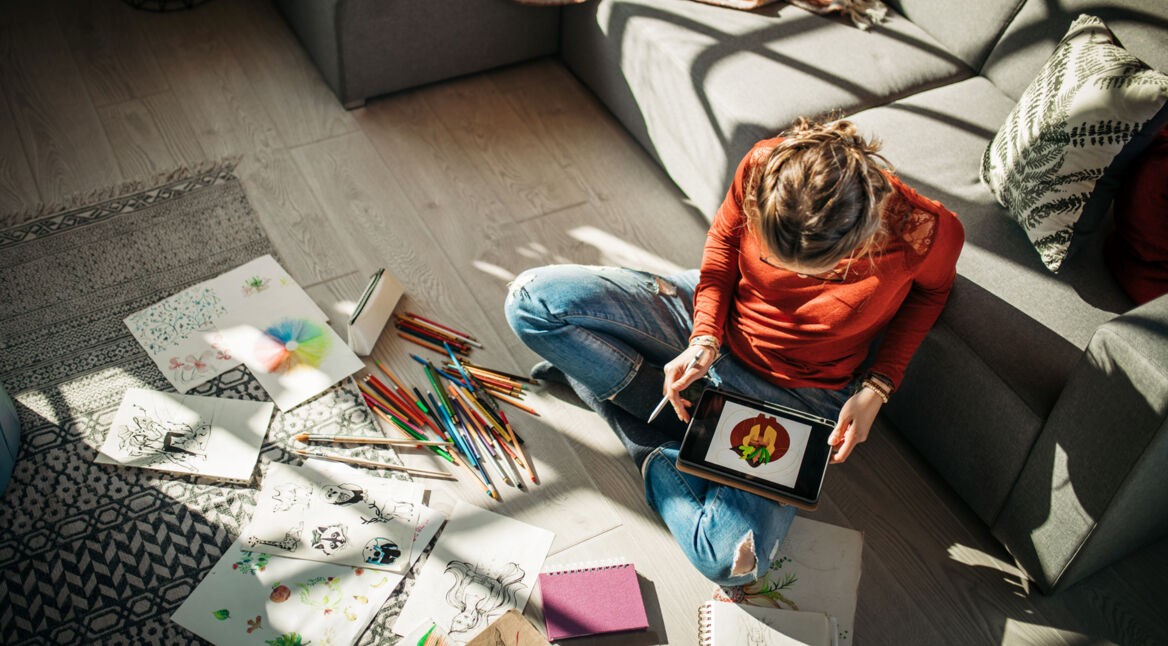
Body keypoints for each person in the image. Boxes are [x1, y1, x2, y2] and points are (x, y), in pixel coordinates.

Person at [503, 118, 963, 587]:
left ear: (862, 236)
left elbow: (931, 295)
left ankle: (640, 428)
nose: (795, 282)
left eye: (816, 272)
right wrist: (704, 336)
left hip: (802, 391)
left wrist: (877, 388)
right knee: (530, 302)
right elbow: (722, 248)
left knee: (732, 562)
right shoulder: (765, 166)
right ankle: (696, 425)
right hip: (712, 322)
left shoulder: (924, 231)